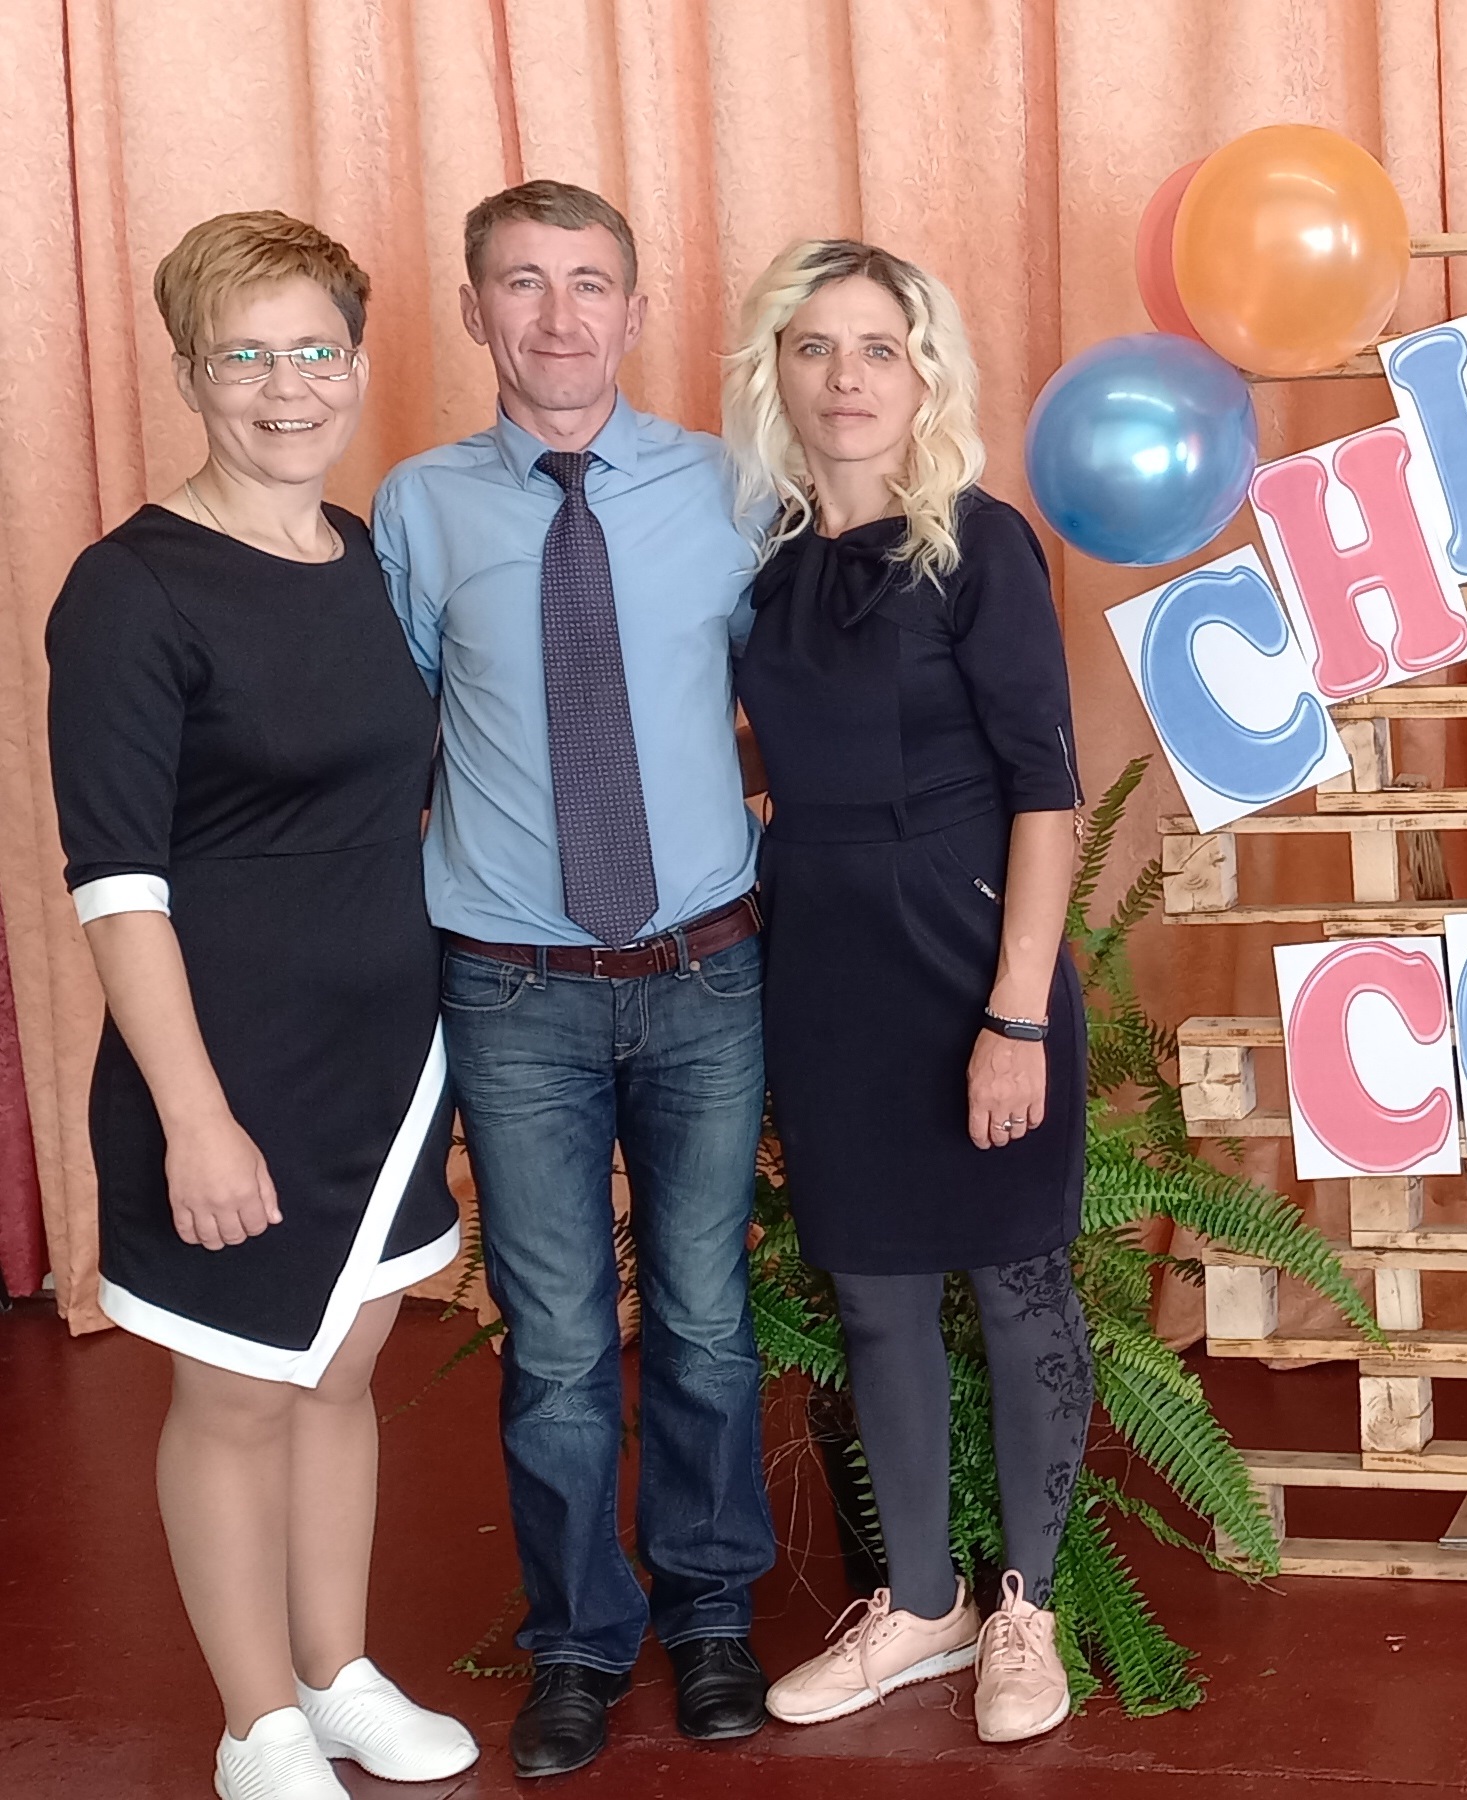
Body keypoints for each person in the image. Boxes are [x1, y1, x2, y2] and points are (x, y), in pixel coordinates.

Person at [47, 210, 481, 1800]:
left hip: (388, 1057)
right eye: (244, 356)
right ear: (188, 375)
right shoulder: (129, 588)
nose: (286, 386)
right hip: (226, 1065)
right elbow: (117, 884)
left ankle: (335, 1673)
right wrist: (194, 1118)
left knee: (344, 1371)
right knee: (233, 1392)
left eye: (315, 350)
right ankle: (257, 1728)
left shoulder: (364, 554)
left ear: (358, 363)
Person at [370, 180, 773, 1778]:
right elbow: (390, 742)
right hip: (513, 988)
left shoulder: (733, 489)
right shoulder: (418, 507)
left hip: (705, 976)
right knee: (551, 1341)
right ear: (474, 309)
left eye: (590, 282)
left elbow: (794, 698)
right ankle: (578, 1646)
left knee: (704, 1317)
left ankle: (713, 1618)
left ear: (636, 308)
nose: (558, 315)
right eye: (523, 283)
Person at [720, 240, 1092, 1745]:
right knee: (874, 1297)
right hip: (823, 962)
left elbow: (1047, 794)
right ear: (776, 373)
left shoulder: (980, 545)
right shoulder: (759, 562)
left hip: (971, 951)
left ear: (926, 374)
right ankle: (923, 1607)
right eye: (815, 346)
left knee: (1015, 1285)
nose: (847, 377)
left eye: (880, 347)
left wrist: (1015, 1016)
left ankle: (1026, 1613)